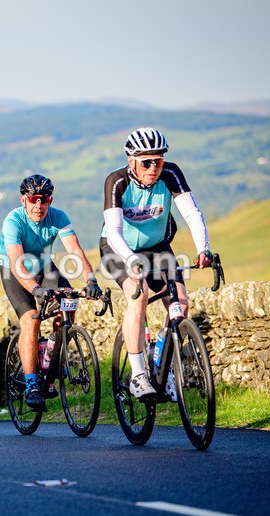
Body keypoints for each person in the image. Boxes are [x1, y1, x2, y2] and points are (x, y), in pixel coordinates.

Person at [99, 127, 214, 400]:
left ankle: (163, 362)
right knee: (138, 298)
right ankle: (138, 375)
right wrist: (131, 260)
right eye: (146, 162)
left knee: (180, 304)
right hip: (119, 248)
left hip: (157, 247)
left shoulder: (171, 174)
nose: (153, 167)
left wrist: (204, 249)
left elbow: (191, 213)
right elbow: (113, 232)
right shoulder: (117, 181)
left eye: (158, 160)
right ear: (131, 161)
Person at [0, 174, 102, 412]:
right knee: (31, 319)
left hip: (43, 266)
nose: (38, 205)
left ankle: (52, 350)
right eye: (33, 199)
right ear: (24, 200)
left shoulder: (58, 217)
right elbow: (16, 262)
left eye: (44, 199)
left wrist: (91, 279)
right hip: (14, 270)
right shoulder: (13, 220)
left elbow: (75, 250)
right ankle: (32, 383)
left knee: (70, 300)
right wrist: (35, 289)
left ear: (50, 200)